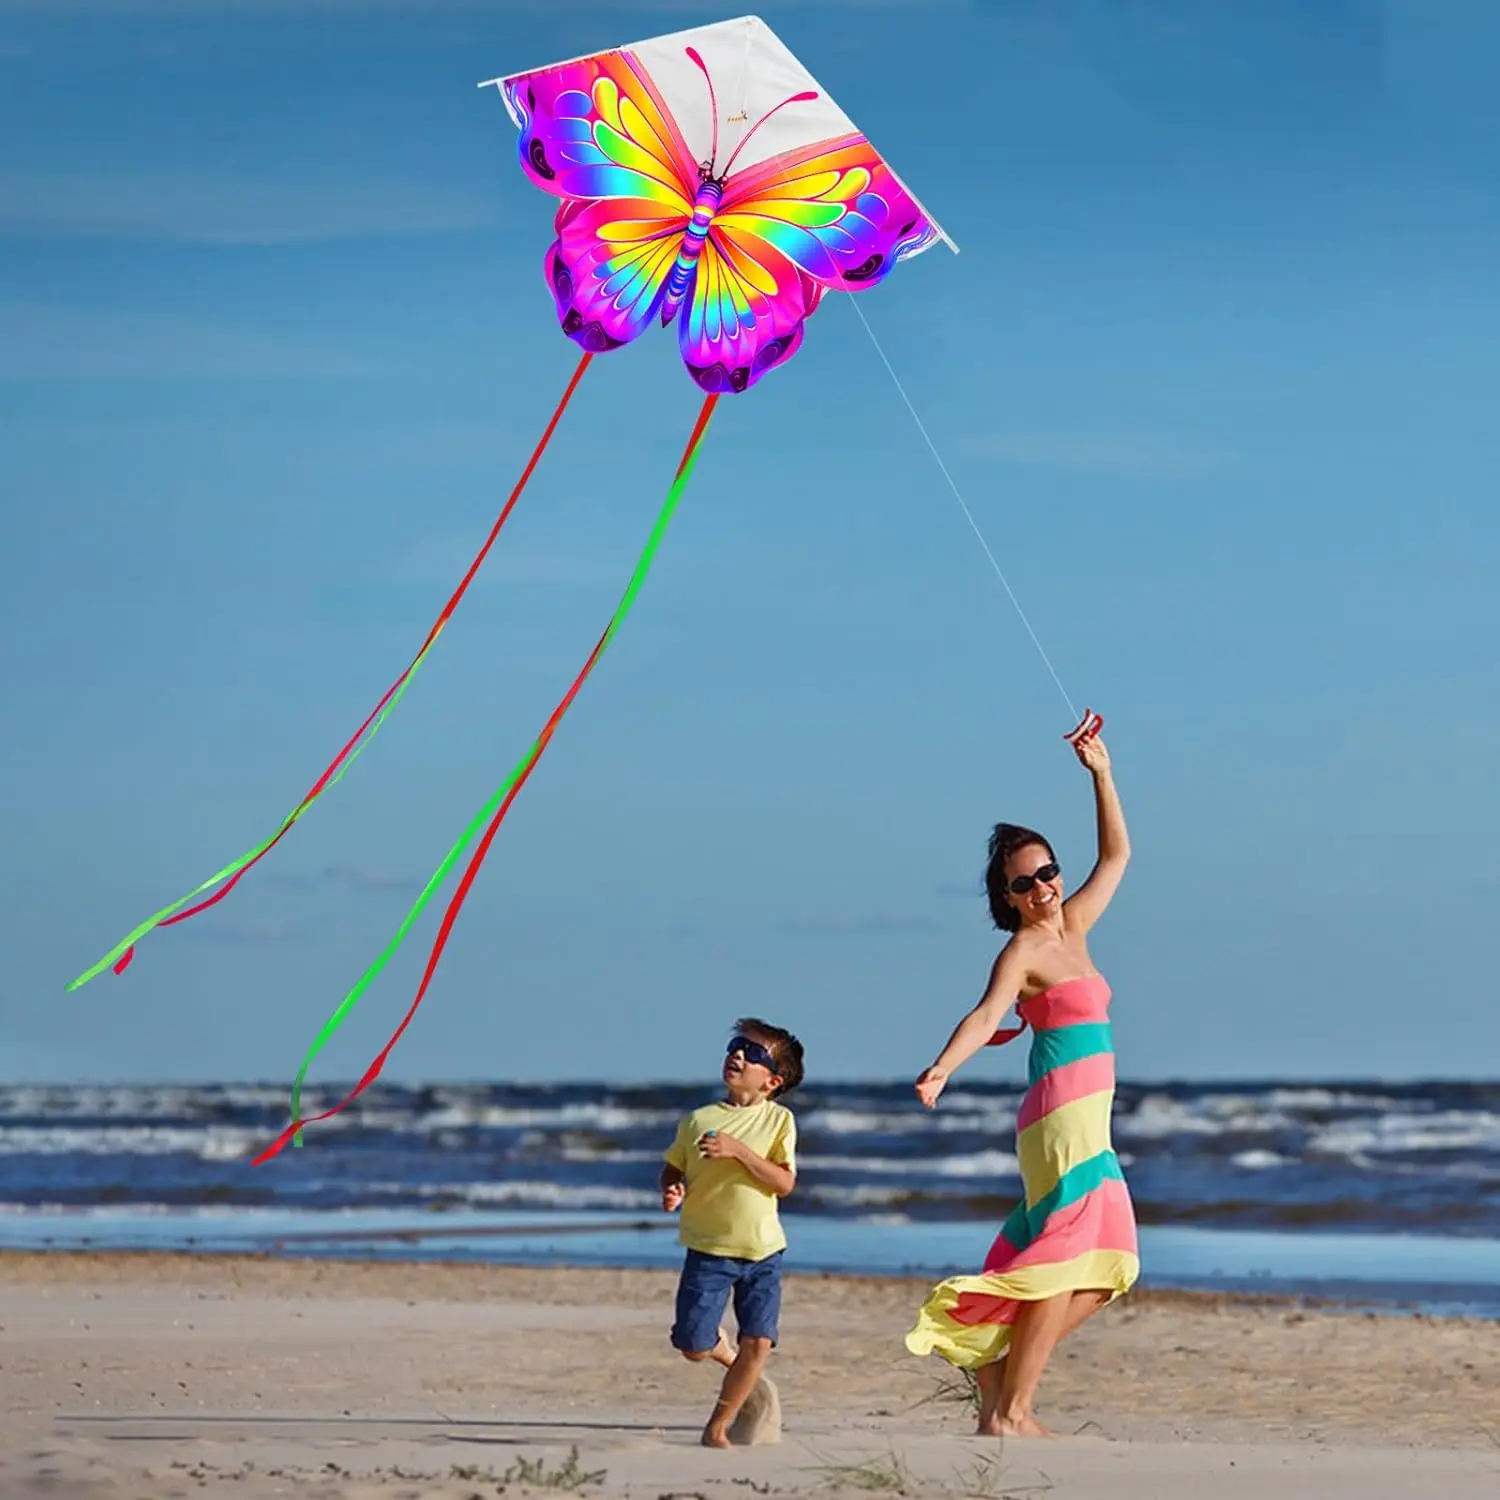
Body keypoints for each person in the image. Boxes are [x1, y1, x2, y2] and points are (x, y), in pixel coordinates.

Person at [903, 728, 1137, 1438]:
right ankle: (1011, 1410)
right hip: (1059, 1119)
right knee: (1067, 1262)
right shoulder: (1026, 950)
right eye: (1024, 883)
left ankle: (1002, 1375)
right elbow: (985, 1015)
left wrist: (1101, 771)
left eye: (1047, 873)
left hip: (1088, 1125)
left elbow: (1119, 854)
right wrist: (944, 1067)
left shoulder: (1075, 925)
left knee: (1109, 1266)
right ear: (1006, 898)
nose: (1042, 888)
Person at [660, 1017, 804, 1449]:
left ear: (772, 1081)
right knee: (693, 1346)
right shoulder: (698, 1120)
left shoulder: (779, 1121)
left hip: (763, 1251)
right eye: (737, 1046)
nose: (738, 1054)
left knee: (759, 1342)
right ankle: (725, 1356)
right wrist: (672, 1186)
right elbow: (675, 1165)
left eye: (753, 1053)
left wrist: (738, 1151)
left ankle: (718, 1426)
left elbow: (784, 1182)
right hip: (709, 1250)